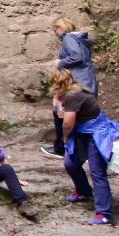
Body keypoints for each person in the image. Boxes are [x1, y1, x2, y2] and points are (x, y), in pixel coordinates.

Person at [50, 69, 119, 226]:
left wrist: (65, 138)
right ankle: (83, 191)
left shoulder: (72, 97)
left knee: (97, 172)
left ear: (57, 84)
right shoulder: (72, 93)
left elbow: (67, 123)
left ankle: (104, 212)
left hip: (97, 135)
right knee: (70, 163)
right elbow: (61, 115)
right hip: (83, 133)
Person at [40, 18, 99, 158]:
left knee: (60, 112)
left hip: (78, 83)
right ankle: (80, 150)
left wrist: (61, 62)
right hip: (87, 82)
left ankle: (61, 148)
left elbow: (76, 57)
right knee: (80, 117)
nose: (55, 32)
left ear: (60, 27)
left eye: (55, 28)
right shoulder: (79, 39)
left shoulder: (69, 38)